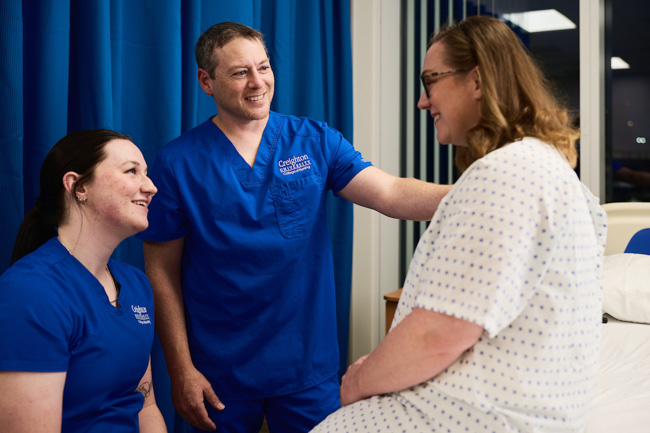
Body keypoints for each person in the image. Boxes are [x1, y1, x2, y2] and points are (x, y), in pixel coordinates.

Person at [138, 22, 451, 433]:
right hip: (220, 372)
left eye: (263, 67)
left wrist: (479, 190)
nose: (258, 83)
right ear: (206, 82)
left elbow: (390, 193)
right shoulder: (177, 163)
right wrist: (180, 369)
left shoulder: (314, 140)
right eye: (239, 72)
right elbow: (160, 271)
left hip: (306, 366)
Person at [311, 15, 607, 433]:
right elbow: (394, 195)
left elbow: (435, 336)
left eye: (430, 80)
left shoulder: (505, 174)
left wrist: (360, 378)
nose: (422, 101)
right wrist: (465, 197)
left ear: (478, 82)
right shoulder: (541, 169)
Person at [0, 129, 166, 433]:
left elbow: (146, 405)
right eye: (132, 171)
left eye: (147, 173)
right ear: (77, 186)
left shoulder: (136, 285)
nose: (151, 187)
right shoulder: (31, 292)